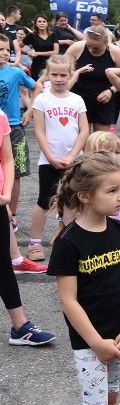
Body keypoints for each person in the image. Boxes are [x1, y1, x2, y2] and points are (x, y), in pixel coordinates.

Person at [19, 153, 120, 405]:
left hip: (118, 338)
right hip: (90, 344)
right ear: (85, 196)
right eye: (111, 191)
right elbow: (69, 302)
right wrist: (96, 342)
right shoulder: (69, 243)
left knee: (111, 401)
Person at [0, 106, 55, 345]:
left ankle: (20, 327)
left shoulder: (0, 117)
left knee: (3, 264)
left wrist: (6, 194)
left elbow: (8, 160)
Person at [28, 55, 89, 262]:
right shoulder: (42, 100)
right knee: (45, 202)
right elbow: (40, 132)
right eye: (54, 74)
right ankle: (35, 242)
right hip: (49, 161)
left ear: (70, 75)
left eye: (63, 75)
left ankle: (66, 240)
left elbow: (83, 131)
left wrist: (72, 155)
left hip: (74, 161)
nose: (59, 79)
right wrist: (51, 157)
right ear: (48, 74)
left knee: (72, 202)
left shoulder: (77, 100)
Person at [0, 33, 43, 236]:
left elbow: (38, 86)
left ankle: (11, 215)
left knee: (15, 173)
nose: (4, 53)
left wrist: (30, 110)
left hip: (14, 127)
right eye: (0, 49)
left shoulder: (15, 73)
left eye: (7, 50)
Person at [63, 26, 120, 131]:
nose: (91, 50)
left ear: (106, 43)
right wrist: (77, 71)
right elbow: (62, 69)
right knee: (81, 139)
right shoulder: (77, 47)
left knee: (101, 140)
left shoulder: (114, 52)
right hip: (79, 99)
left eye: (96, 48)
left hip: (104, 100)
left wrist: (110, 91)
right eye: (88, 46)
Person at [22, 14, 58, 80]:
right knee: (37, 86)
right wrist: (28, 52)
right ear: (36, 24)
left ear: (47, 24)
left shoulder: (53, 35)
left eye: (44, 21)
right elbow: (17, 46)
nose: (42, 23)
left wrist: (38, 53)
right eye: (39, 21)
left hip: (51, 64)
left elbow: (55, 52)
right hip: (37, 65)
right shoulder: (32, 36)